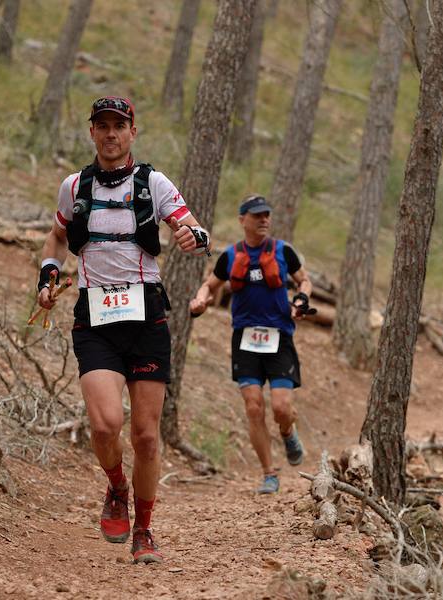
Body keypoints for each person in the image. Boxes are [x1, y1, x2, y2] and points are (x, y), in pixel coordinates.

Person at [36, 96, 211, 564]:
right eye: (102, 126)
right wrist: (48, 274)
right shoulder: (74, 186)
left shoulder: (152, 183)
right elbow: (56, 238)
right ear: (91, 132)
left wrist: (191, 236)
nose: (111, 134)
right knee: (104, 423)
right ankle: (117, 486)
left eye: (119, 126)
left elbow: (193, 227)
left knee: (146, 436)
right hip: (95, 317)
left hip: (147, 317)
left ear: (133, 132)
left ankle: (144, 529)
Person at [189, 195, 312, 494]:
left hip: (279, 336)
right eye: (257, 215)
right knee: (254, 407)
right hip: (245, 339)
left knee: (281, 407)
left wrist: (301, 299)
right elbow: (210, 284)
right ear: (242, 219)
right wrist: (201, 299)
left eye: (267, 215)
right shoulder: (230, 256)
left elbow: (304, 281)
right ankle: (269, 473)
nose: (264, 220)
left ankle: (287, 431)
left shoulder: (283, 252)